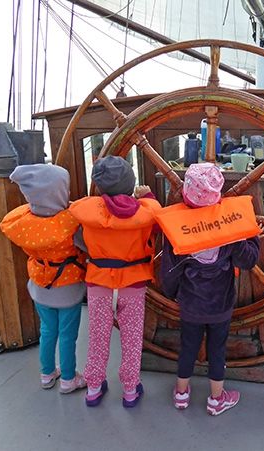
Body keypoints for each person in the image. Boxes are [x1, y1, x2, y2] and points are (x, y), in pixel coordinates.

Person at [159, 163, 260, 416]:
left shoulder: (178, 230)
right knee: (217, 350)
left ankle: (181, 393)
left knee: (188, 348)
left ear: (186, 195)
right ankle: (217, 398)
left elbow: (169, 272)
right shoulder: (230, 230)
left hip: (191, 306)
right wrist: (251, 235)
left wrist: (171, 295)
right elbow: (248, 260)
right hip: (220, 307)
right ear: (218, 197)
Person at [68, 155, 161, 408]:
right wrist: (148, 196)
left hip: (99, 284)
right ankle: (130, 390)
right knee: (131, 338)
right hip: (133, 285)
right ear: (131, 184)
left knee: (97, 337)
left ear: (98, 187)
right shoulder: (146, 212)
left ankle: (94, 388)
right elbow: (155, 226)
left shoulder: (87, 211)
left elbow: (78, 235)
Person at [0, 164, 87, 394]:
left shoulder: (24, 223)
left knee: (47, 331)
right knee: (68, 335)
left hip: (40, 285)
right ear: (59, 193)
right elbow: (88, 246)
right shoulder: (70, 224)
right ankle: (69, 378)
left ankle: (47, 373)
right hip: (68, 289)